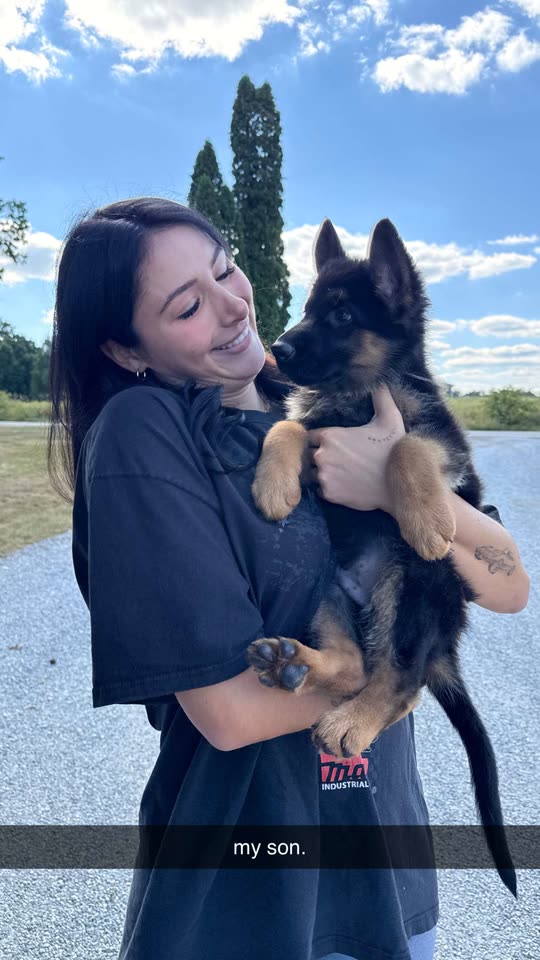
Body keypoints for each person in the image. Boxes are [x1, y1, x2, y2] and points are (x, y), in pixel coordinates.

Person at [48, 197, 529, 960]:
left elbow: (506, 587)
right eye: (187, 307)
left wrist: (395, 485)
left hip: (388, 858)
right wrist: (386, 684)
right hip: (256, 891)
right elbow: (229, 714)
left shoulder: (321, 397)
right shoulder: (147, 436)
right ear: (125, 348)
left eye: (225, 271)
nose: (233, 306)